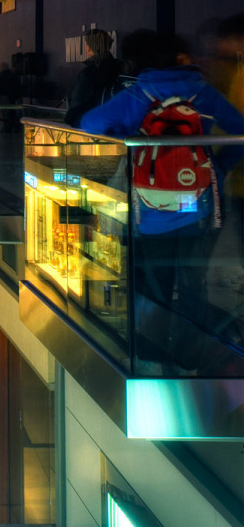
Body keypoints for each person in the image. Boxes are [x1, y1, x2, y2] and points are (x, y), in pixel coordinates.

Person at [79, 29, 244, 372]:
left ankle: (152, 359)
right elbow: (238, 132)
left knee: (152, 286)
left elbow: (90, 123)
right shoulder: (204, 93)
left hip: (151, 212)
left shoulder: (139, 96)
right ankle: (191, 360)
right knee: (193, 285)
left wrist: (127, 140)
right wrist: (218, 168)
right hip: (201, 209)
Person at [65, 29, 124, 126]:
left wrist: (70, 118)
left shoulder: (88, 74)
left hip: (93, 125)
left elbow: (78, 103)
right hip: (118, 124)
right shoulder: (121, 68)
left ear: (89, 47)